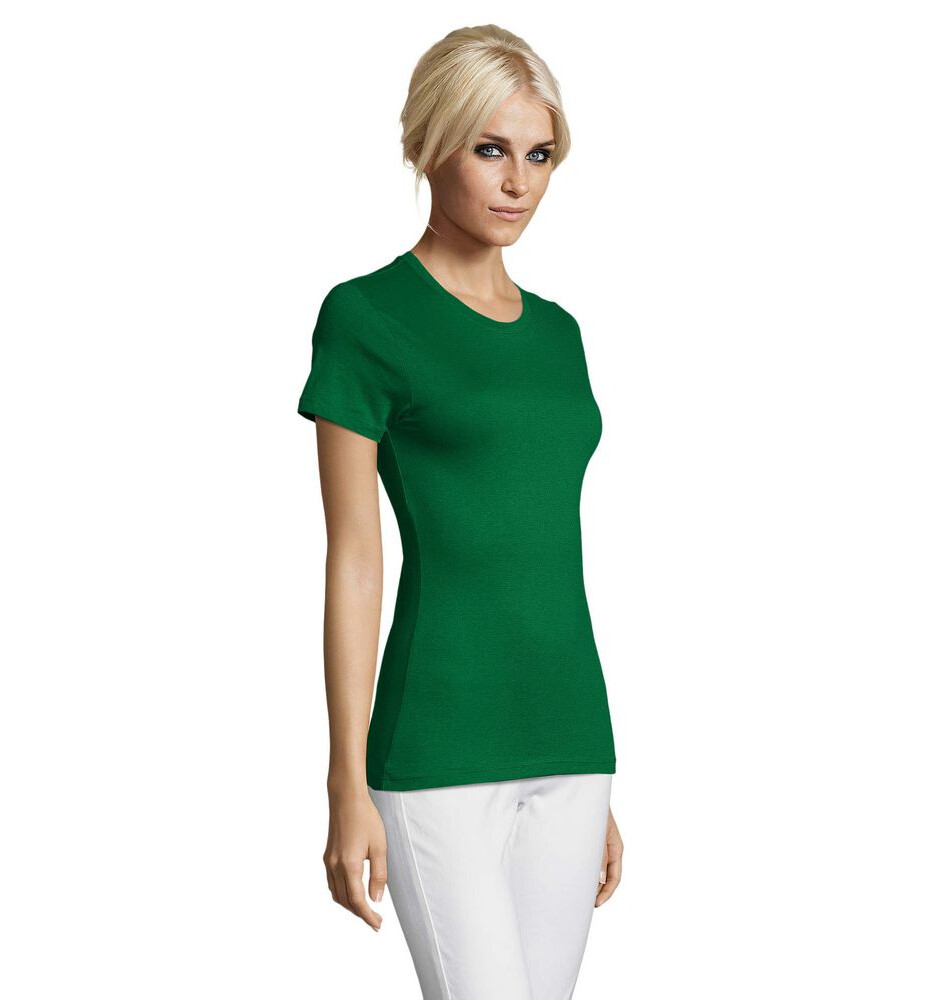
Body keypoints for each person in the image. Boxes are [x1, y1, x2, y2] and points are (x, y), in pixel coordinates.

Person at [297, 24, 624, 1000]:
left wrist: (596, 785)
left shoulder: (560, 335)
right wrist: (345, 780)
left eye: (539, 155)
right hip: (437, 742)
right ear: (431, 144)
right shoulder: (367, 317)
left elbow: (541, 545)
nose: (518, 182)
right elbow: (355, 559)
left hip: (572, 741)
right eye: (490, 149)